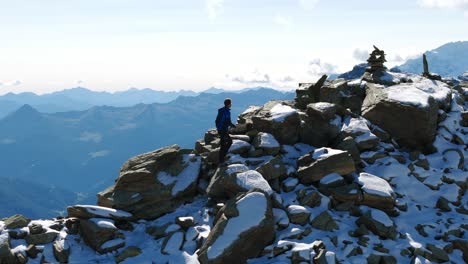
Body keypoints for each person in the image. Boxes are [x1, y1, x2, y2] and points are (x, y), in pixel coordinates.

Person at [215, 98, 236, 165]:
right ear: (229, 104)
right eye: (230, 103)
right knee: (228, 143)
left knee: (224, 144)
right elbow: (222, 121)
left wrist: (232, 125)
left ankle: (222, 159)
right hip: (223, 130)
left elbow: (227, 121)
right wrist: (221, 130)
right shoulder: (224, 111)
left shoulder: (226, 111)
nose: (231, 105)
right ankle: (221, 161)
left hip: (223, 130)